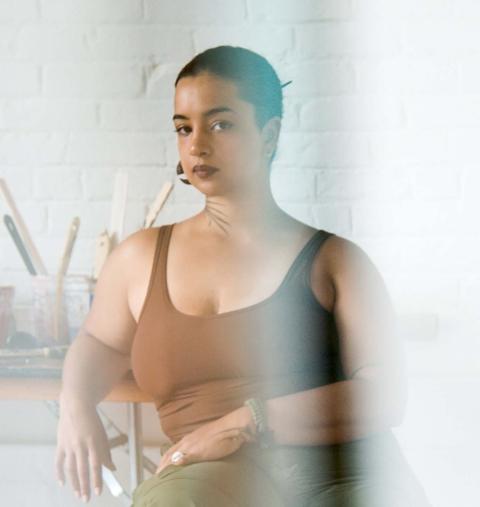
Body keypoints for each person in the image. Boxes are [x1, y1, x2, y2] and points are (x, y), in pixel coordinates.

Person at [55, 46, 431, 506]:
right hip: (210, 482)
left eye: (221, 124)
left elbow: (386, 395)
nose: (196, 145)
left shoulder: (335, 260)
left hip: (341, 476)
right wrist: (74, 406)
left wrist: (246, 421)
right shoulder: (139, 258)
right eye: (183, 128)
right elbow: (99, 343)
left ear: (269, 135)